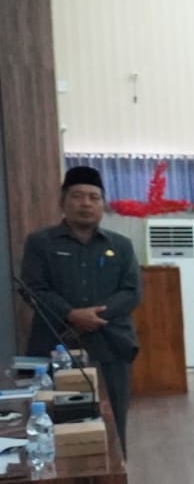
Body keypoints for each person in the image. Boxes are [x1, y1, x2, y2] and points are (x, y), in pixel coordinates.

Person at [20, 165, 141, 453]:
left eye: (93, 197)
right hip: (55, 348)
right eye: (77, 196)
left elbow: (132, 292)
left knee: (112, 423)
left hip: (111, 348)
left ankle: (114, 482)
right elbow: (33, 289)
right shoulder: (40, 243)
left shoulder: (121, 246)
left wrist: (94, 317)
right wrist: (71, 315)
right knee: (59, 425)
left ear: (102, 205)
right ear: (62, 202)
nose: (86, 203)